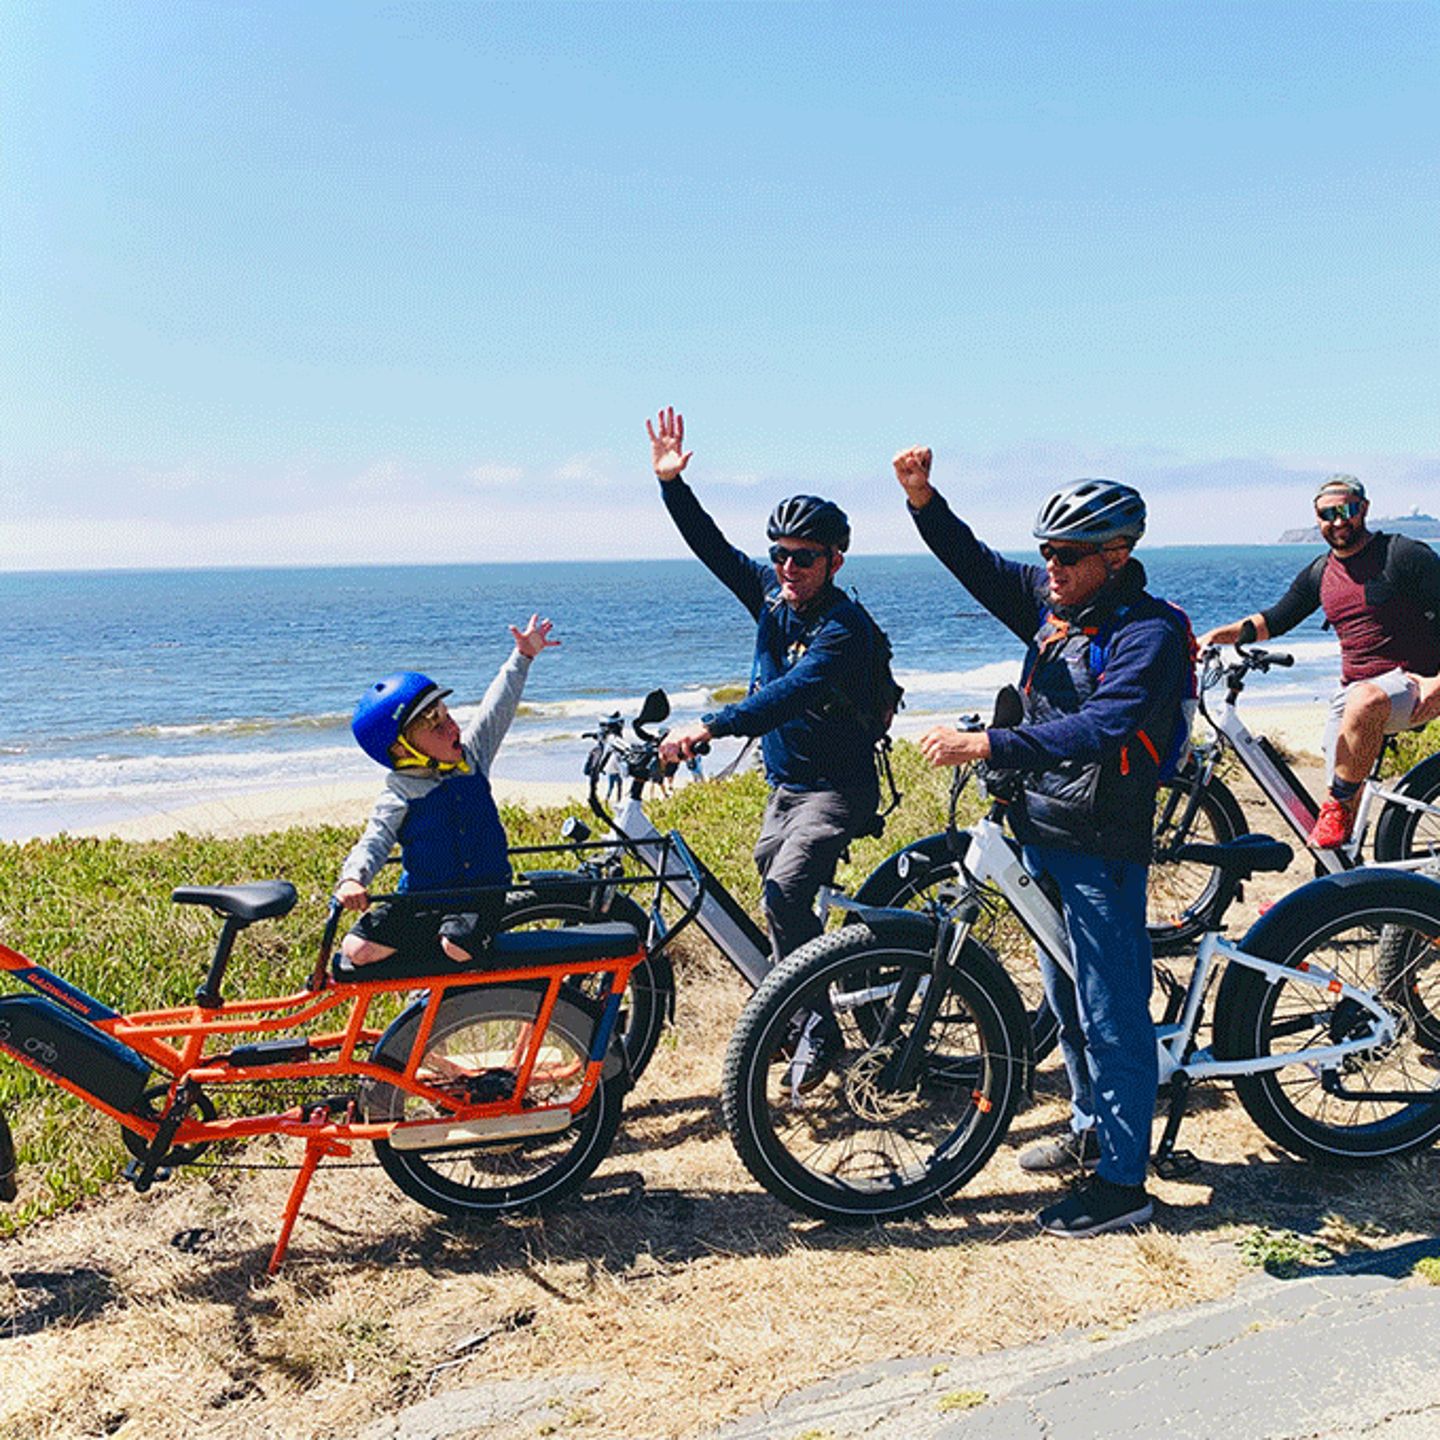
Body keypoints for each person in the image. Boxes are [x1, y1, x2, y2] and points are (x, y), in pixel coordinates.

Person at [894, 445, 1188, 1239]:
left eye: (1066, 555)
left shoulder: (1151, 635)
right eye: (1045, 552)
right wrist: (925, 501)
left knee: (1111, 1010)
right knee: (1064, 997)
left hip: (1102, 841)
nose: (1048, 567)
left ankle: (1125, 1185)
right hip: (1042, 829)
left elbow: (1102, 727)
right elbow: (976, 567)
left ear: (1115, 556)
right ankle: (1093, 1126)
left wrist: (990, 746)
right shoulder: (1057, 605)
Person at [646, 407, 883, 970]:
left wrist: (710, 725)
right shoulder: (773, 598)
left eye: (803, 557)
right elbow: (713, 548)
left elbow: (792, 692)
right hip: (785, 786)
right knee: (778, 899)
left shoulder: (846, 629)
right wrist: (671, 484)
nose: (787, 566)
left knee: (783, 893)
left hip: (836, 790)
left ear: (834, 561)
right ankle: (791, 1008)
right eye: (779, 554)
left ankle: (812, 1029)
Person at [1198, 476, 1440, 848]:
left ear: (1365, 509)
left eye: (1348, 510)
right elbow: (1273, 620)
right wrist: (1214, 636)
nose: (1339, 521)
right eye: (1329, 513)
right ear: (1318, 517)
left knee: (1359, 720)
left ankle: (1340, 807)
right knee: (1331, 836)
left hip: (1412, 683)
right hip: (1355, 694)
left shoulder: (1403, 554)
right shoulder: (1321, 573)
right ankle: (1332, 896)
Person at [335, 616, 559, 966]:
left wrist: (523, 657)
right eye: (434, 725)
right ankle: (427, 986)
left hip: (481, 895)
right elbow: (375, 840)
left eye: (447, 715)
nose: (450, 726)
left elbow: (496, 708)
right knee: (357, 949)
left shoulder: (472, 756)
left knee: (457, 945)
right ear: (401, 751)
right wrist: (353, 878)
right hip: (424, 899)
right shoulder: (400, 791)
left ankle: (480, 992)